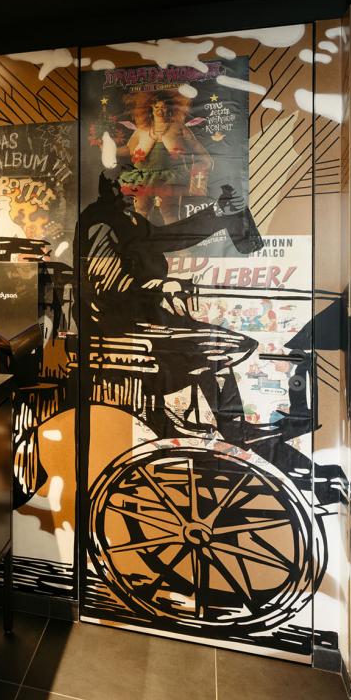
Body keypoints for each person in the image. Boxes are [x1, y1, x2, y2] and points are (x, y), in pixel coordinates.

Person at [75, 173, 260, 439]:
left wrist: (218, 211)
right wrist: (157, 287)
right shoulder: (100, 222)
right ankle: (222, 429)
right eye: (128, 180)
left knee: (221, 346)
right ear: (111, 185)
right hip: (116, 323)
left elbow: (170, 237)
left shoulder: (130, 220)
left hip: (143, 316)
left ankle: (231, 428)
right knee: (216, 349)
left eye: (138, 179)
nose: (138, 186)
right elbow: (103, 288)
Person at [118, 90, 213, 224]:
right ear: (150, 108)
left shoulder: (179, 127)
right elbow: (128, 149)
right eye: (156, 106)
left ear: (169, 108)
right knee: (140, 211)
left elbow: (196, 148)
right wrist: (109, 150)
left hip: (170, 178)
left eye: (163, 107)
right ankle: (138, 237)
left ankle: (173, 238)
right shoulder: (142, 130)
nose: (159, 110)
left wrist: (203, 164)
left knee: (170, 213)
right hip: (144, 178)